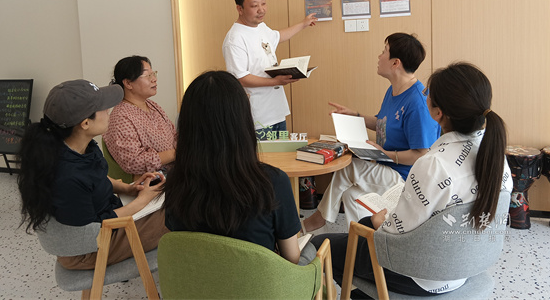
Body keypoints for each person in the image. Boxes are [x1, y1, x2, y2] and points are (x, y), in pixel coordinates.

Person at [311, 62, 513, 296]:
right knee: (360, 226)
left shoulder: (433, 164)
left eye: (428, 94)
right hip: (464, 269)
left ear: (438, 113)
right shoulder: (495, 156)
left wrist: (378, 221)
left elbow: (396, 233)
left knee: (320, 245)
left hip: (418, 274)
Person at [163, 70, 316, 265]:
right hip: (259, 282)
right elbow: (291, 258)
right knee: (312, 249)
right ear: (242, 123)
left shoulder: (175, 181)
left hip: (197, 280)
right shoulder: (272, 181)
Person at [17, 79, 168, 270]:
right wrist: (141, 201)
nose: (109, 111)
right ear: (85, 123)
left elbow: (96, 178)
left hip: (105, 223)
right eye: (103, 108)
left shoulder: (82, 147)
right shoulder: (67, 176)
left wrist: (128, 188)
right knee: (181, 213)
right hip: (90, 248)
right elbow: (97, 225)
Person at [303, 33, 441, 232]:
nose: (379, 56)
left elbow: (422, 154)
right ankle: (361, 242)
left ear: (395, 63)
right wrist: (355, 115)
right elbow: (383, 124)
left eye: (384, 51)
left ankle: (317, 220)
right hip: (386, 169)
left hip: (405, 178)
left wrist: (385, 154)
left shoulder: (417, 102)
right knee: (351, 195)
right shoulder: (394, 90)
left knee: (348, 167)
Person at [222, 0, 317, 137]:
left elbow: (277, 37)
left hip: (277, 112)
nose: (261, 10)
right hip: (257, 118)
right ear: (240, 9)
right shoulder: (235, 39)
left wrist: (303, 24)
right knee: (263, 154)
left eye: (263, 3)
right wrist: (275, 81)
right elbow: (240, 78)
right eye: (254, 6)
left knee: (281, 153)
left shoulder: (260, 27)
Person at [104, 55, 176, 177]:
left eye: (154, 74)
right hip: (152, 181)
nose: (154, 79)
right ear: (128, 83)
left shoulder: (152, 105)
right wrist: (175, 154)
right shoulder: (121, 117)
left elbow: (173, 134)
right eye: (148, 76)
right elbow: (133, 162)